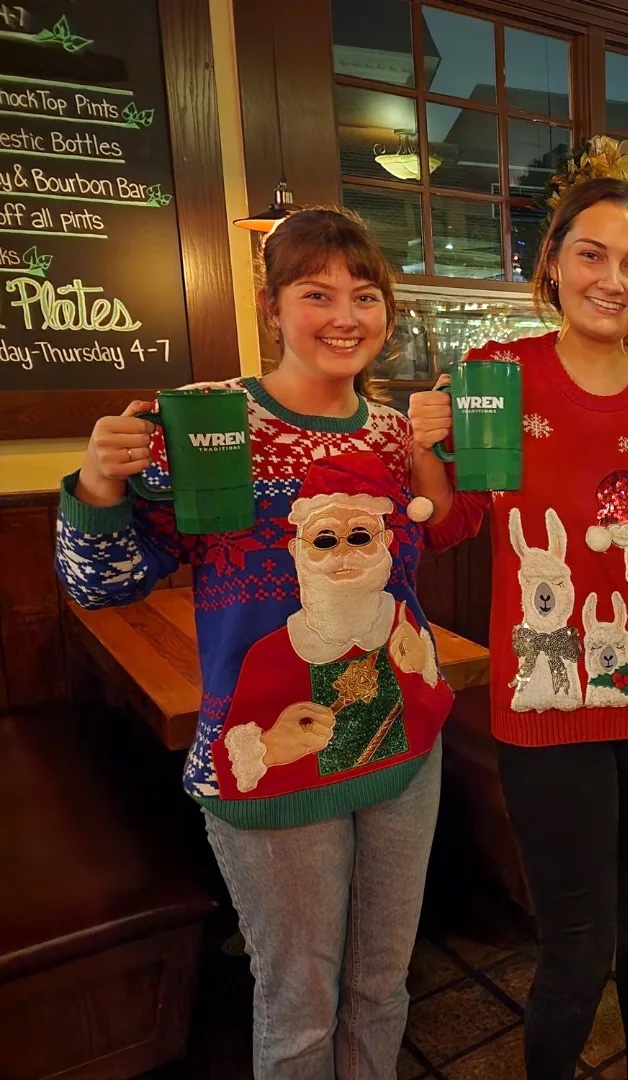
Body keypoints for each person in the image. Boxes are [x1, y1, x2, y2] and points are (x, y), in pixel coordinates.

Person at [55, 208, 454, 1077]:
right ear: (273, 307)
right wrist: (95, 483)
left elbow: (421, 556)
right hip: (267, 760)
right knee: (298, 1003)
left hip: (401, 741)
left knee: (384, 985)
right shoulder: (213, 421)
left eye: (365, 294)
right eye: (317, 293)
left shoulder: (391, 434)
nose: (345, 315)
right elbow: (103, 581)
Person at [409, 146, 628, 1080]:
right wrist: (430, 449)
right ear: (552, 260)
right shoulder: (497, 372)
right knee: (578, 938)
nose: (612, 280)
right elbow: (452, 524)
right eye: (592, 254)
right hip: (549, 707)